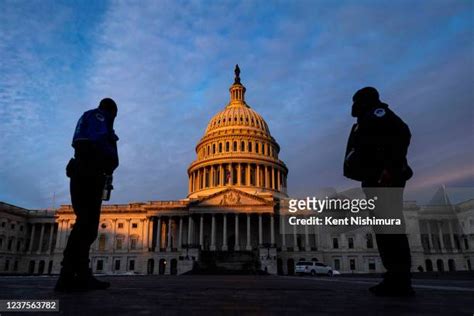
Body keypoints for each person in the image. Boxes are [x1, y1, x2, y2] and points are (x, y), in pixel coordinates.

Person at [344, 87, 414, 296]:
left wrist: (390, 169)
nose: (353, 106)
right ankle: (394, 276)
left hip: (385, 180)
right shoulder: (366, 118)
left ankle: (400, 279)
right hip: (374, 180)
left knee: (390, 228)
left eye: (357, 101)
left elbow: (403, 133)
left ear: (365, 101)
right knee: (384, 229)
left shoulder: (377, 114)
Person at [55, 98, 119, 292]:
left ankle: (76, 273)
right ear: (111, 111)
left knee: (86, 225)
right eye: (114, 115)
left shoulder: (90, 117)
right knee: (86, 225)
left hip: (86, 172)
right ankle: (70, 275)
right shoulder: (100, 118)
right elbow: (92, 144)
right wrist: (106, 162)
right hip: (89, 172)